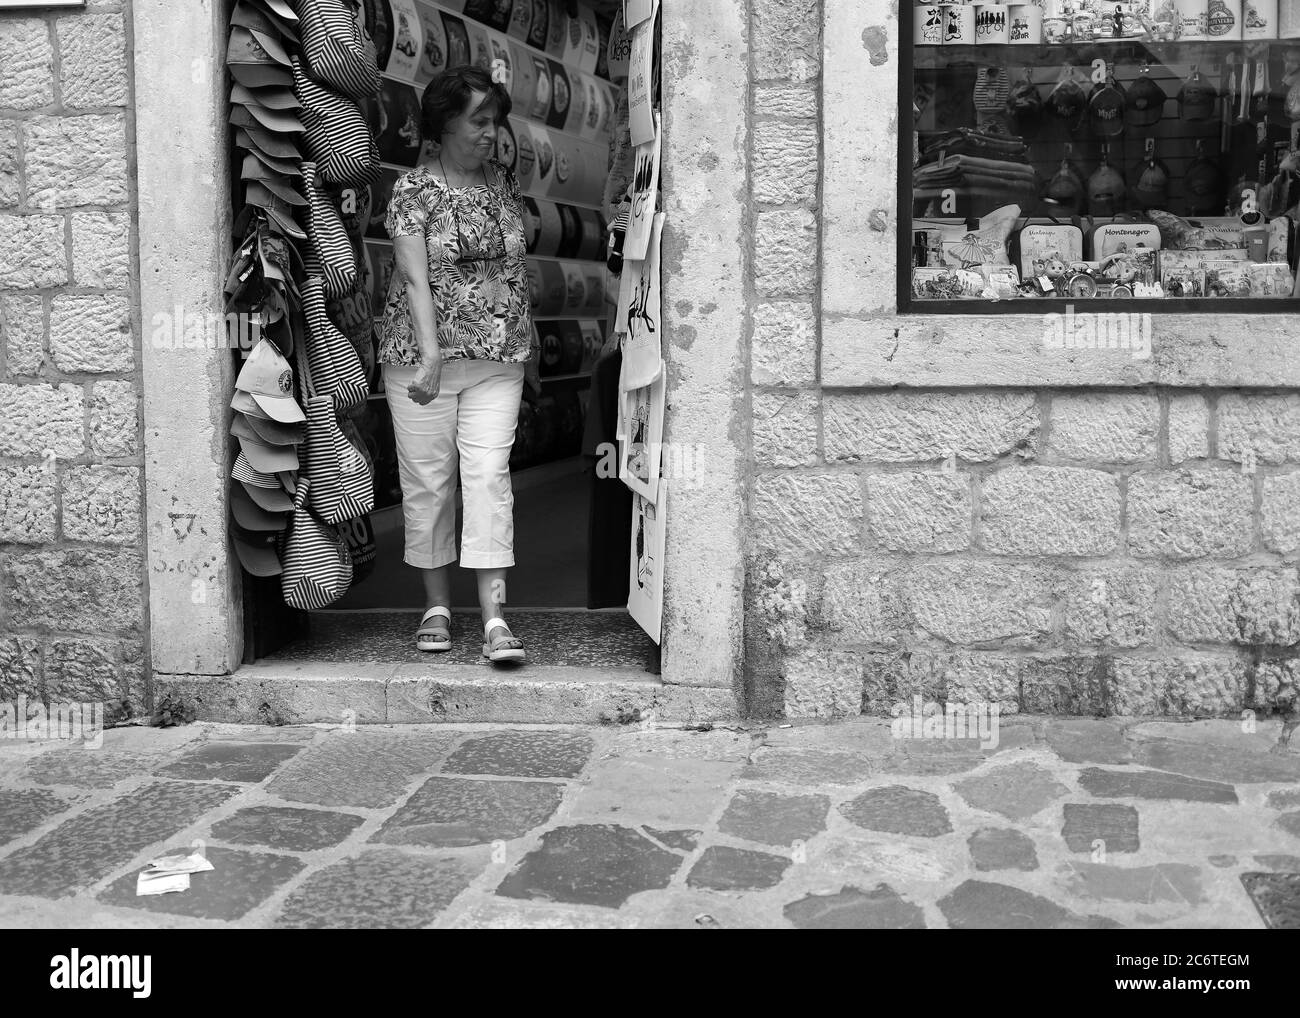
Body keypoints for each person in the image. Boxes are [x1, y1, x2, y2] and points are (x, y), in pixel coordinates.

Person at [378, 64, 540, 662]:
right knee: (428, 485)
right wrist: (429, 356)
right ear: (444, 123)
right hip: (423, 366)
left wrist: (532, 346)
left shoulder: (504, 184)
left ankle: (495, 618)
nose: (490, 132)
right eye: (478, 121)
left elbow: (514, 271)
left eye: (495, 121)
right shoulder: (412, 191)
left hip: (499, 360)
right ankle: (437, 607)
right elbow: (415, 279)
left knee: (490, 480)